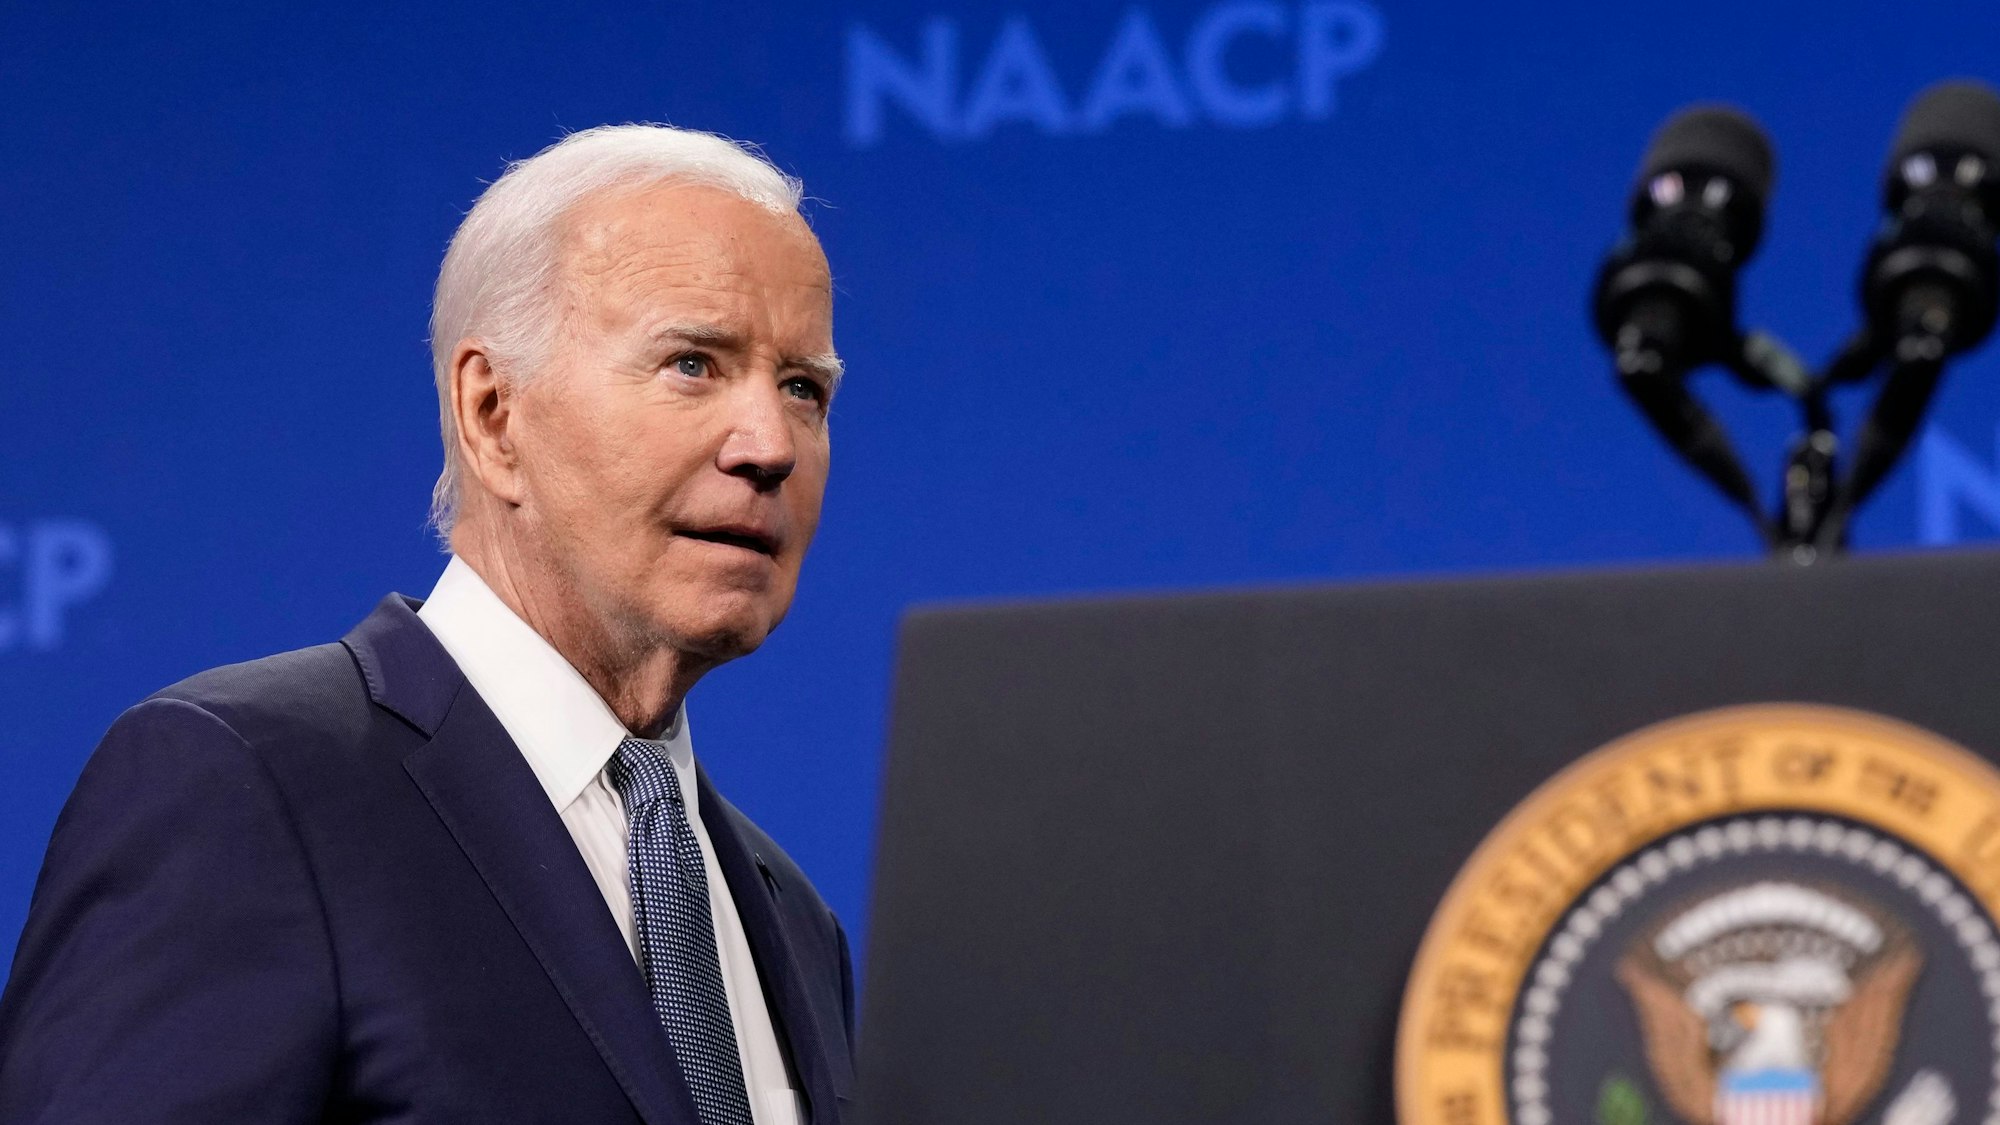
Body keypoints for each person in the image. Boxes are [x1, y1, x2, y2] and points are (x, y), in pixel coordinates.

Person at [0, 125, 854, 1124]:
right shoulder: (248, 790)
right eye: (693, 364)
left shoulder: (791, 916)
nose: (769, 445)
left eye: (803, 388)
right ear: (493, 415)